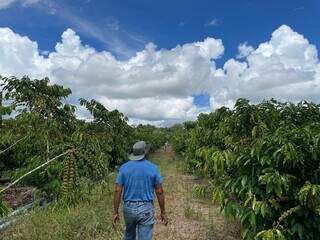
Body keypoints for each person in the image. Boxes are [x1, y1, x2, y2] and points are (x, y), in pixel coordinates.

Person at [113, 141, 168, 240]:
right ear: (145, 153)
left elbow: (118, 190)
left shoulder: (124, 168)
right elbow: (159, 191)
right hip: (146, 208)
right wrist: (163, 211)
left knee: (129, 235)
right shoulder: (153, 168)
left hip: (128, 208)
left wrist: (115, 212)